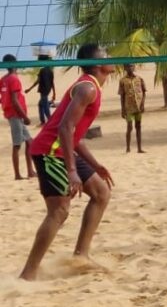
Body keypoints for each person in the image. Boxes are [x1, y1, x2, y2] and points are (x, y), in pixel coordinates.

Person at [20, 44, 115, 281]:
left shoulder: (91, 87)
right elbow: (65, 128)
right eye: (107, 55)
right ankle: (28, 274)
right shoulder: (86, 89)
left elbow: (75, 135)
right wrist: (72, 171)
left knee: (101, 192)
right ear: (98, 64)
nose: (113, 58)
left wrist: (95, 165)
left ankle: (81, 256)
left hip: (65, 149)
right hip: (49, 152)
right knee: (59, 210)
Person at [1, 54, 36, 179]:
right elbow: (15, 101)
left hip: (12, 114)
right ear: (14, 64)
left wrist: (5, 105)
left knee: (30, 142)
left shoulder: (4, 79)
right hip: (16, 115)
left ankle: (30, 171)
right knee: (17, 145)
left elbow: (3, 98)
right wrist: (25, 117)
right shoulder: (14, 79)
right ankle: (17, 174)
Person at [118, 63, 146, 153]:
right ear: (125, 68)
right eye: (128, 66)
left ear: (134, 67)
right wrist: (122, 110)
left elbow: (144, 92)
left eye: (132, 66)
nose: (130, 68)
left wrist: (143, 104)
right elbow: (122, 96)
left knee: (138, 126)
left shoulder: (140, 79)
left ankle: (139, 148)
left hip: (138, 107)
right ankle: (128, 148)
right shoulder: (122, 81)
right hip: (128, 107)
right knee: (129, 127)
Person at [25, 54, 56, 126]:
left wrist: (29, 89)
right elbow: (52, 82)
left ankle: (50, 122)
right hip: (47, 90)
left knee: (45, 106)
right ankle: (43, 122)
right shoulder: (50, 70)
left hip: (43, 90)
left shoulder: (42, 70)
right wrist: (54, 93)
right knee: (41, 105)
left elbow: (38, 81)